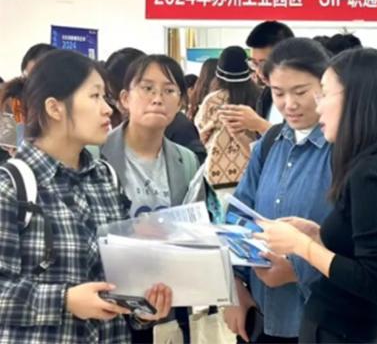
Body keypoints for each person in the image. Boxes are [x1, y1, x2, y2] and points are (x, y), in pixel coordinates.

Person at [0, 50, 172, 343]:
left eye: (105, 97)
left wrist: (143, 308)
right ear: (55, 108)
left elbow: (119, 279)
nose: (107, 109)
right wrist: (65, 300)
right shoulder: (11, 186)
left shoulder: (106, 178)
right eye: (94, 97)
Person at [257, 48, 377, 343]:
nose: (318, 106)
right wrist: (316, 234)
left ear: (355, 98)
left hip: (342, 330)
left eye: (324, 94)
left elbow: (375, 281)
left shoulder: (372, 173)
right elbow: (360, 247)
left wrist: (300, 246)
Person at [223, 38, 333, 343]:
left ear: (326, 86)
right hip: (260, 315)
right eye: (278, 93)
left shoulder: (343, 147)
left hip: (320, 322)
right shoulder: (271, 142)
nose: (289, 104)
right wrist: (235, 288)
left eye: (301, 92)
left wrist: (298, 268)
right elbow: (238, 214)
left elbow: (354, 242)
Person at [99, 54, 200, 342]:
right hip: (109, 302)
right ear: (125, 98)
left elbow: (194, 231)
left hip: (165, 300)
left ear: (180, 103)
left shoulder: (186, 160)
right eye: (147, 88)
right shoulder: (95, 154)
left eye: (169, 90)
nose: (157, 98)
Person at [195, 46, 261, 190]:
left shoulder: (212, 100)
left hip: (218, 175)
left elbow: (201, 131)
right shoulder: (258, 97)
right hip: (253, 173)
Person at [219, 21, 296, 138]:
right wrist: (238, 134)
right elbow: (263, 147)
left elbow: (298, 145)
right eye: (254, 63)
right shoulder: (266, 96)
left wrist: (259, 124)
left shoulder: (305, 99)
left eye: (264, 63)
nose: (259, 72)